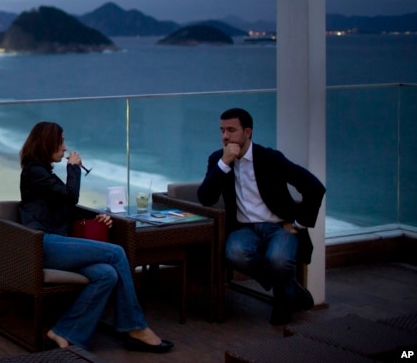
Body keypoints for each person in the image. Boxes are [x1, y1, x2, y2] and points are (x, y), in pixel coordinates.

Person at [19, 121, 174, 353]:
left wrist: (97, 220)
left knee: (107, 274)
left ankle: (64, 332)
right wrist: (73, 168)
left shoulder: (44, 174)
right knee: (116, 252)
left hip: (57, 243)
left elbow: (65, 207)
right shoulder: (34, 172)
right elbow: (70, 196)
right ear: (47, 143)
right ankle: (135, 327)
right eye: (61, 142)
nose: (65, 148)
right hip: (44, 244)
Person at [198, 107, 326, 325]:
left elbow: (314, 187)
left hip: (278, 227)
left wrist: (299, 223)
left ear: (247, 132)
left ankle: (283, 305)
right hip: (244, 229)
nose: (225, 136)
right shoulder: (218, 159)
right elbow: (206, 198)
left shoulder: (270, 158)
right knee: (235, 253)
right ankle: (287, 287)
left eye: (231, 130)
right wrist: (224, 163)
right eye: (222, 130)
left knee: (278, 259)